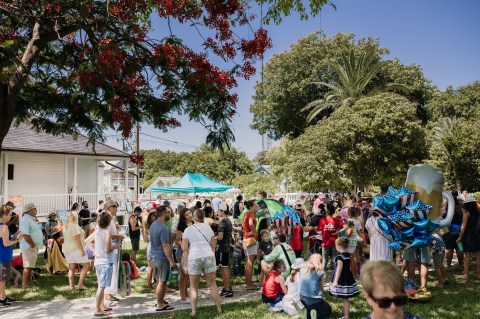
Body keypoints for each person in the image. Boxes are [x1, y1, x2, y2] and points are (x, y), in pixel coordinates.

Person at [182, 209, 222, 317]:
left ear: (194, 217)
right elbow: (213, 245)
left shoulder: (188, 230)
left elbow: (184, 247)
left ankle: (194, 311)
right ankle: (219, 308)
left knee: (193, 286)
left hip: (194, 257)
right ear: (203, 217)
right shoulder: (208, 228)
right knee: (212, 284)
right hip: (208, 256)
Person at [150, 205, 176, 312]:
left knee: (158, 280)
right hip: (161, 258)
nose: (170, 214)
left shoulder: (153, 225)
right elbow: (166, 246)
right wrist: (171, 260)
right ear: (164, 214)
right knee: (162, 281)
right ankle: (160, 304)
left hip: (153, 257)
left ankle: (159, 300)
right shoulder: (163, 227)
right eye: (169, 212)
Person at [93, 211, 119, 317]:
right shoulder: (106, 233)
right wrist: (115, 246)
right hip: (105, 261)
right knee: (101, 286)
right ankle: (98, 309)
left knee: (101, 286)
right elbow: (108, 249)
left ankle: (102, 306)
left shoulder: (97, 231)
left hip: (98, 261)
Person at [329, 238, 359, 319]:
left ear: (339, 247)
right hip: (347, 277)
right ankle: (345, 312)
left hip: (342, 279)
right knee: (345, 298)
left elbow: (339, 269)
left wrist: (335, 281)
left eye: (336, 246)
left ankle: (346, 316)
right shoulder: (347, 255)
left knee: (345, 298)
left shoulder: (340, 257)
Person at [102, 200, 124, 304]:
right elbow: (106, 234)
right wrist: (118, 236)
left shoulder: (112, 218)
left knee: (114, 268)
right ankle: (107, 293)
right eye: (114, 206)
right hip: (110, 246)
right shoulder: (106, 219)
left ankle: (109, 292)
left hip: (114, 245)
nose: (116, 208)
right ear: (108, 208)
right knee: (111, 269)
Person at [1, 205, 23, 307]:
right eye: (10, 214)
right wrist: (18, 239)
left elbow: (5, 240)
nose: (11, 217)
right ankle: (2, 299)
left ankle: (3, 296)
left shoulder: (2, 226)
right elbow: (6, 243)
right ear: (4, 215)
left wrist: (15, 235)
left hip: (2, 255)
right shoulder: (4, 227)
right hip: (4, 256)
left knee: (2, 278)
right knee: (2, 279)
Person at [63, 210, 90, 290]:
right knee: (86, 265)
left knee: (71, 268)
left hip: (67, 250)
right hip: (76, 249)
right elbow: (77, 239)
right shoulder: (74, 226)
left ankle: (72, 286)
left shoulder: (65, 227)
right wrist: (82, 251)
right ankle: (80, 284)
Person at [18, 203, 44, 288]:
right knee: (28, 266)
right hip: (28, 246)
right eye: (34, 209)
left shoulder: (31, 219)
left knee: (30, 266)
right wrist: (32, 244)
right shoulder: (25, 219)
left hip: (32, 245)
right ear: (29, 210)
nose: (36, 210)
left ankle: (28, 283)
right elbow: (25, 234)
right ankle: (24, 285)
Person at [299, 254, 332, 319]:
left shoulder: (302, 270)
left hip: (303, 299)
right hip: (317, 300)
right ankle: (315, 313)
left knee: (308, 308)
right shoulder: (320, 272)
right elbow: (322, 287)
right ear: (320, 261)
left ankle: (308, 312)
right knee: (328, 309)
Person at [456, 195, 480, 279]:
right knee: (478, 255)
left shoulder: (466, 211)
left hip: (468, 234)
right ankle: (478, 274)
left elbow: (464, 225)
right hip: (477, 233)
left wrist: (460, 236)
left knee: (467, 254)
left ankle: (466, 274)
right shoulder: (477, 211)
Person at [174, 207, 193, 303]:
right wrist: (185, 249)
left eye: (189, 213)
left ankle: (186, 293)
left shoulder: (193, 223)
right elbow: (177, 241)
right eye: (186, 214)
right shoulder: (181, 226)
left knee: (188, 275)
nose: (189, 215)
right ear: (183, 217)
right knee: (183, 274)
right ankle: (183, 297)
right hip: (182, 253)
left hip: (191, 252)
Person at [319, 204, 346, 269]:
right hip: (334, 242)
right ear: (334, 212)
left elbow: (319, 231)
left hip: (325, 243)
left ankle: (322, 278)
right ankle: (337, 276)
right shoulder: (337, 220)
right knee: (335, 260)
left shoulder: (322, 220)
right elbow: (346, 226)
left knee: (324, 261)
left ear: (326, 212)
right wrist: (337, 232)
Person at [443, 190, 464, 270]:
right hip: (459, 232)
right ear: (457, 194)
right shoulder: (461, 204)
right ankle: (460, 266)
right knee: (460, 248)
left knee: (449, 249)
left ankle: (448, 266)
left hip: (449, 231)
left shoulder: (448, 204)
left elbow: (444, 215)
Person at [215, 203, 233, 298]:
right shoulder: (228, 221)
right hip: (226, 247)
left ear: (222, 211)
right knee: (225, 267)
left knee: (223, 268)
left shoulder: (222, 222)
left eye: (218, 210)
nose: (217, 212)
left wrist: (213, 237)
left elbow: (220, 237)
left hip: (222, 248)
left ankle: (227, 289)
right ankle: (228, 287)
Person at [242, 199, 258, 290]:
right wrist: (255, 232)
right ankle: (249, 284)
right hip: (250, 238)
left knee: (248, 262)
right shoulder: (251, 214)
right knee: (250, 262)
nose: (257, 207)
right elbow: (251, 223)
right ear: (251, 206)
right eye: (255, 205)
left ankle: (248, 283)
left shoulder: (246, 213)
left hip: (246, 238)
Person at [144, 211, 157, 290]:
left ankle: (149, 285)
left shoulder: (147, 228)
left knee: (150, 268)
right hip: (155, 248)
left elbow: (146, 240)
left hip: (150, 247)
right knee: (155, 268)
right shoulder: (157, 226)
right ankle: (155, 284)